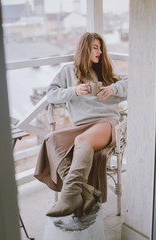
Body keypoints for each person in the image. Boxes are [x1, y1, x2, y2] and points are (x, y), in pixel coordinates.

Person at [34, 32, 128, 217]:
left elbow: (132, 83)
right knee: (51, 139)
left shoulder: (107, 70)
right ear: (84, 48)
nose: (99, 51)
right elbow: (52, 94)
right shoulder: (68, 71)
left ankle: (69, 195)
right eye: (95, 47)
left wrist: (113, 88)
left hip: (105, 122)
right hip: (81, 124)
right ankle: (86, 192)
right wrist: (74, 91)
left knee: (82, 140)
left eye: (100, 47)